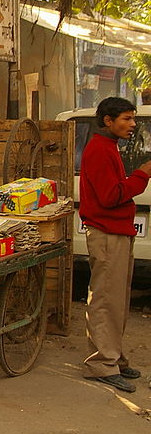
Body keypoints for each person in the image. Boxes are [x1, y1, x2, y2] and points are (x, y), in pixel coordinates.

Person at [79, 96, 151, 393]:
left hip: (118, 232)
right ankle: (101, 364)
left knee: (118, 299)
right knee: (106, 300)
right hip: (106, 234)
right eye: (126, 119)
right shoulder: (98, 150)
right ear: (108, 121)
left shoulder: (110, 147)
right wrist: (141, 175)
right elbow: (110, 196)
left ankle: (114, 358)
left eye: (133, 118)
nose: (132, 124)